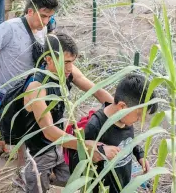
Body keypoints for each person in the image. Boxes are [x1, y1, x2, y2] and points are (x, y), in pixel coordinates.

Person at [17, 33, 119, 192]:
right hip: (38, 154)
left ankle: (47, 175)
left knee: (76, 180)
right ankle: (26, 177)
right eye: (65, 62)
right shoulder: (36, 88)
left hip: (60, 145)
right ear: (49, 59)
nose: (69, 68)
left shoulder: (68, 71)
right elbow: (49, 131)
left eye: (72, 62)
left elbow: (97, 91)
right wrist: (86, 146)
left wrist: (119, 111)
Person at [0, 0, 58, 169]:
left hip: (26, 93)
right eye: (43, 16)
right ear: (30, 12)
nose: (46, 21)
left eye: (50, 17)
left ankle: (22, 170)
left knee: (23, 131)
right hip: (3, 92)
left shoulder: (44, 30)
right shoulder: (9, 28)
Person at [74, 73, 158, 193]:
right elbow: (81, 160)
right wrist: (101, 152)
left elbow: (129, 142)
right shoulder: (96, 126)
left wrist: (140, 156)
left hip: (123, 186)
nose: (140, 120)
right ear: (122, 107)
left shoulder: (127, 120)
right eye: (139, 115)